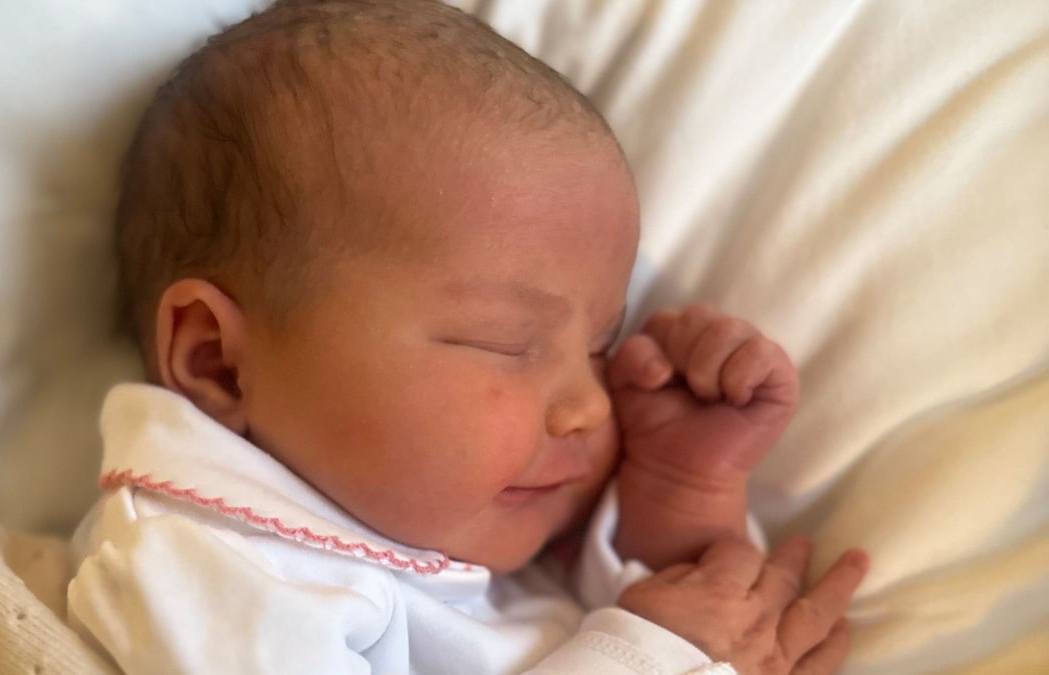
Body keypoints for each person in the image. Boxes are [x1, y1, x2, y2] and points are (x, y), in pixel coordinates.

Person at [67, 1, 868, 673]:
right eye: (505, 342)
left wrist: (679, 498)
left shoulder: (447, 530)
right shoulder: (201, 568)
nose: (589, 405)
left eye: (600, 345)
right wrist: (655, 655)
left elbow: (624, 615)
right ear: (217, 362)